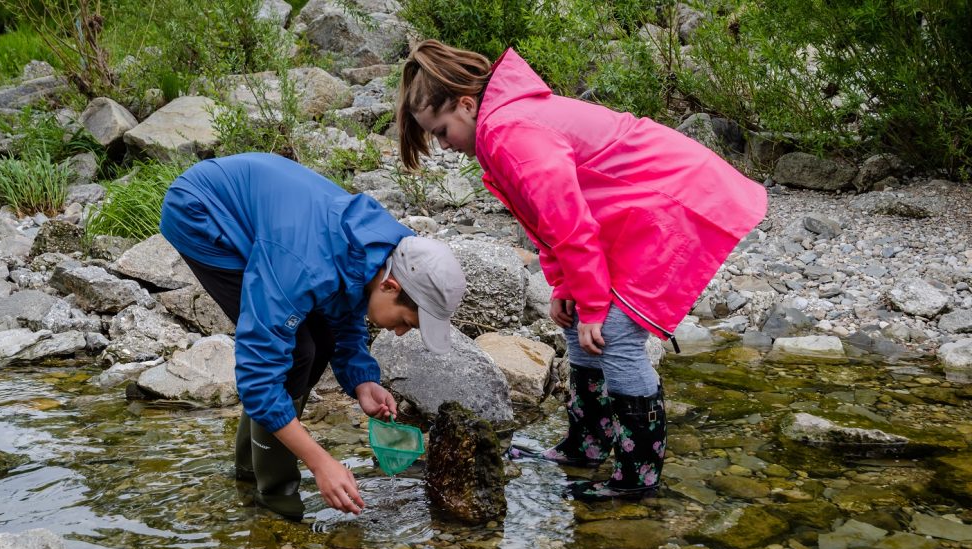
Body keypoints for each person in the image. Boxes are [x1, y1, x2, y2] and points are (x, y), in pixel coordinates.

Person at [396, 40, 768, 500]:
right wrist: (564, 286)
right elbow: (544, 220)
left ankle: (638, 478)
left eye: (441, 131)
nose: (444, 146)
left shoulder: (510, 131)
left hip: (674, 202)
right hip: (631, 210)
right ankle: (586, 446)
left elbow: (569, 221)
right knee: (576, 323)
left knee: (613, 331)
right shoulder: (500, 127)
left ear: (468, 105)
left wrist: (594, 303)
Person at [159, 152, 466, 517]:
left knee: (319, 342)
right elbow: (257, 379)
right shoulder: (303, 265)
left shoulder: (385, 250)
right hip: (202, 211)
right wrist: (320, 461)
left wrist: (361, 381)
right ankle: (275, 501)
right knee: (298, 351)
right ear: (392, 285)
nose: (399, 333)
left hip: (273, 221)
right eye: (406, 321)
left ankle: (249, 469)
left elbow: (348, 299)